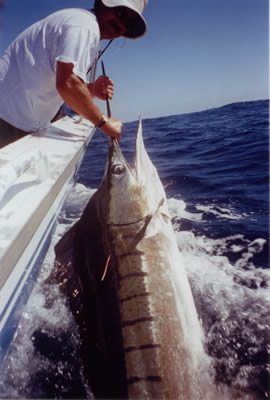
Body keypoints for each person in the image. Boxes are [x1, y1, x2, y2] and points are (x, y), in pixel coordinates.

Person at [0, 0, 148, 148]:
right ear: (101, 3)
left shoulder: (80, 21)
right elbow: (68, 84)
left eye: (129, 24)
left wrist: (91, 90)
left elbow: (61, 78)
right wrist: (104, 123)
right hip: (8, 120)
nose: (120, 25)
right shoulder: (85, 26)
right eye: (120, 12)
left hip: (17, 120)